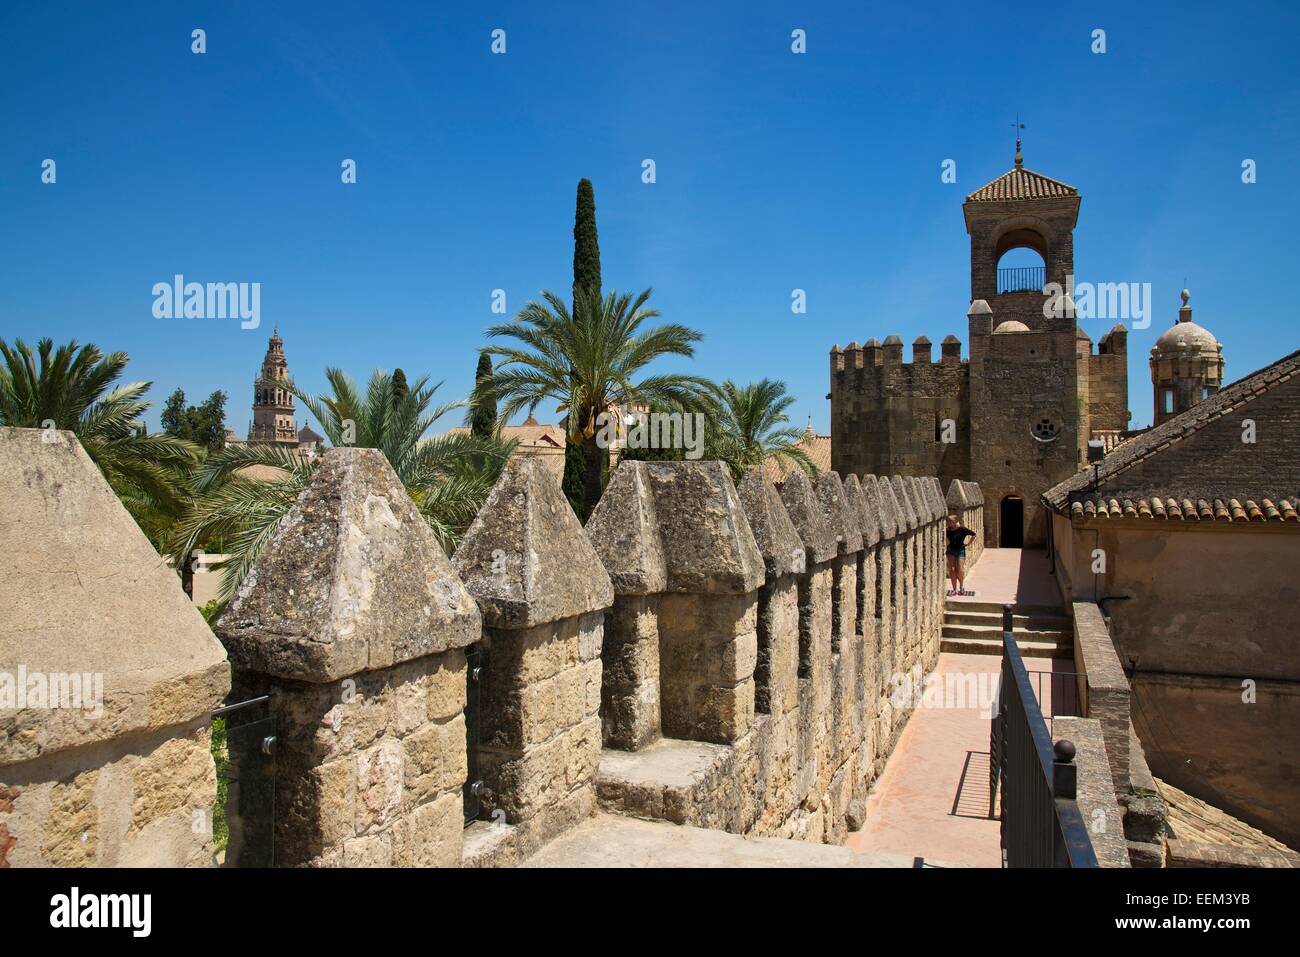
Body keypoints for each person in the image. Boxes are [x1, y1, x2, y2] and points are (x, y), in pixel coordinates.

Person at [945, 515, 976, 597]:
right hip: (951, 551)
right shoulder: (948, 530)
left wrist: (969, 544)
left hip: (960, 551)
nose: (948, 523)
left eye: (950, 521)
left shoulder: (962, 529)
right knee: (952, 569)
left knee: (960, 569)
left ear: (955, 521)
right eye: (948, 521)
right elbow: (947, 538)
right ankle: (954, 589)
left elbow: (973, 534)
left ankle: (961, 587)